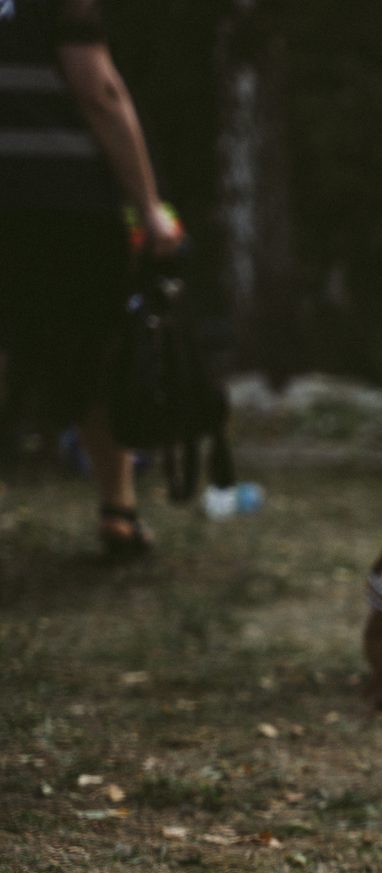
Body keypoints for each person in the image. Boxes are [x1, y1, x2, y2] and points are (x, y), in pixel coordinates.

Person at [0, 0, 183, 560]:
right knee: (101, 352)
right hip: (64, 203)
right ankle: (119, 511)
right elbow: (98, 91)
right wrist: (148, 206)